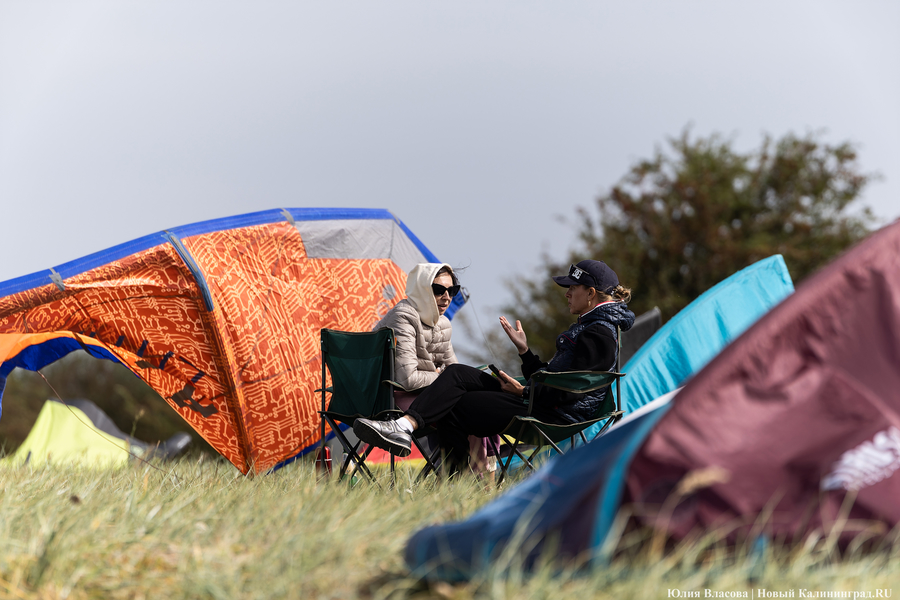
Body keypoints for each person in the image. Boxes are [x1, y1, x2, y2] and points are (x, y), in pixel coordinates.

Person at [354, 259, 636, 471]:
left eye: (572, 287)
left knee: (455, 404)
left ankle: (448, 474)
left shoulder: (598, 332)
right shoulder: (595, 326)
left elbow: (574, 389)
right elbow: (557, 379)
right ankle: (407, 430)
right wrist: (524, 352)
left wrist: (524, 392)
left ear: (591, 293)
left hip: (552, 413)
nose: (567, 293)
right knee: (457, 374)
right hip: (543, 401)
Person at [374, 263, 460, 391]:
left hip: (426, 393)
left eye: (452, 291)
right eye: (439, 290)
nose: (447, 297)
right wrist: (442, 376)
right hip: (388, 395)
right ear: (422, 289)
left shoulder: (443, 323)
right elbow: (408, 379)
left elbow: (456, 371)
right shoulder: (404, 316)